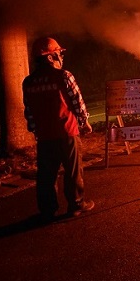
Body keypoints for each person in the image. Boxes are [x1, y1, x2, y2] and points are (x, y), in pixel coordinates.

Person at [22, 36, 94, 221]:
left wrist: (34, 129)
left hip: (44, 136)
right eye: (58, 54)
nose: (61, 57)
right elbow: (77, 101)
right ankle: (76, 205)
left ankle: (47, 210)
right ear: (49, 57)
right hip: (67, 132)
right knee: (73, 170)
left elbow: (29, 109)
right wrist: (84, 121)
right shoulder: (64, 76)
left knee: (46, 175)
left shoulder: (28, 82)